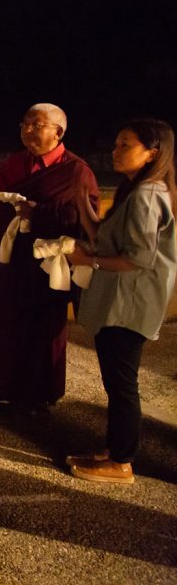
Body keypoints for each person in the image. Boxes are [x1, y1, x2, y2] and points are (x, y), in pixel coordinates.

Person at [65, 118, 176, 484]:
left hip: (131, 304)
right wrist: (83, 205)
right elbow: (106, 237)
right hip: (121, 301)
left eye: (125, 144)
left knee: (123, 384)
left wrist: (88, 261)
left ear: (152, 153)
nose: (115, 151)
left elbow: (138, 258)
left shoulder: (146, 196)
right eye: (115, 143)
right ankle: (112, 450)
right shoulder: (135, 190)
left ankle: (122, 461)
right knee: (116, 382)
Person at [0, 103, 99, 415]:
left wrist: (38, 213)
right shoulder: (12, 165)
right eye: (24, 124)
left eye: (36, 125)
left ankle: (39, 394)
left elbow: (86, 220)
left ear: (58, 131)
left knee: (41, 326)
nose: (27, 131)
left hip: (45, 263)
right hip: (7, 257)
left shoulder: (76, 171)